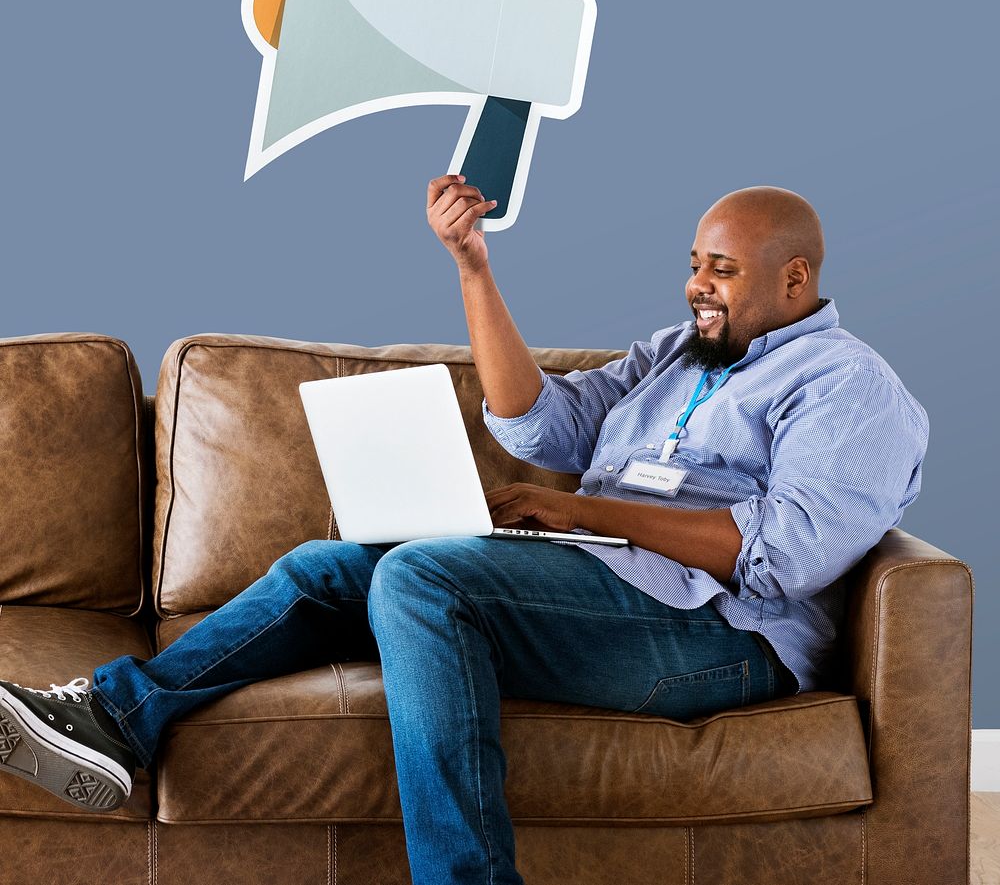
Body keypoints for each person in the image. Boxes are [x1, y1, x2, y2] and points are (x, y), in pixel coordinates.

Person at [0, 174, 928, 885]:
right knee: (331, 568)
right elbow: (542, 423)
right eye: (694, 263)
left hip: (717, 634)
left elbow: (785, 550)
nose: (697, 286)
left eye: (720, 269)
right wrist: (472, 265)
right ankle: (116, 720)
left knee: (419, 578)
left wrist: (579, 510)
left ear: (796, 274)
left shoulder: (849, 387)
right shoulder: (676, 356)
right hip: (601, 581)